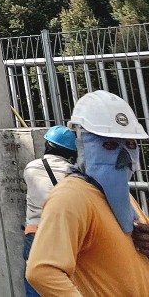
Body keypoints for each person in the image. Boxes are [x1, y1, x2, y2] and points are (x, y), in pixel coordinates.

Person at [26, 90, 149, 296]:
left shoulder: (122, 196)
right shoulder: (72, 197)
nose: (124, 157)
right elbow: (42, 271)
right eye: (109, 145)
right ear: (83, 146)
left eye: (130, 144)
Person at [22, 125, 77, 297]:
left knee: (35, 282)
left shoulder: (30, 168)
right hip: (63, 235)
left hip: (34, 233)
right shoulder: (74, 174)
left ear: (47, 144)